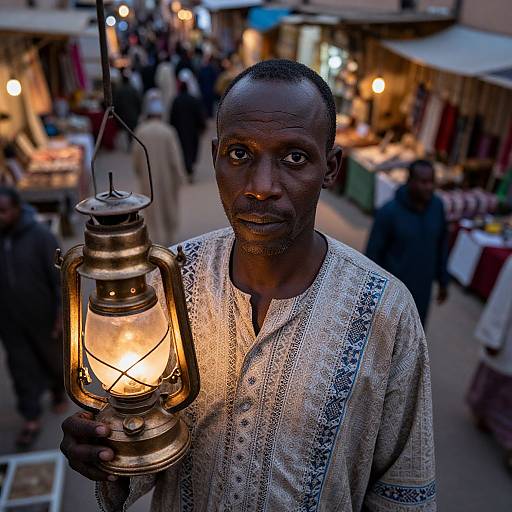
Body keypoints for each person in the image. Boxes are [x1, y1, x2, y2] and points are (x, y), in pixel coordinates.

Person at [61, 60, 436, 511]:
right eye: (240, 154)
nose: (261, 187)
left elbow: (404, 491)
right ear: (217, 155)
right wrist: (108, 453)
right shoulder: (168, 280)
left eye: (294, 157)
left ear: (331, 168)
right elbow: (142, 445)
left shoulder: (386, 312)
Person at [0, 187, 65, 448]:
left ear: (17, 209)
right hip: (9, 319)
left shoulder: (40, 236)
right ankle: (31, 417)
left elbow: (60, 279)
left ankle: (58, 392)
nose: (0, 216)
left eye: (3, 211)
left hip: (43, 315)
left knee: (52, 359)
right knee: (20, 367)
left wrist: (60, 314)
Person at [366, 159, 449, 325]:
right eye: (423, 182)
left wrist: (443, 281)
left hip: (422, 291)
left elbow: (442, 245)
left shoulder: (437, 207)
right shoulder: (388, 212)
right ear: (410, 182)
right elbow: (373, 255)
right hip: (392, 295)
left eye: (432, 182)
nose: (429, 187)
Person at [467, 255, 512, 470]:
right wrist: (492, 335)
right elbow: (502, 299)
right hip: (508, 339)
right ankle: (483, 416)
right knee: (495, 383)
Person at [133, 95, 186, 246]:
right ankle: (170, 240)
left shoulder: (140, 131)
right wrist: (180, 176)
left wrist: (139, 171)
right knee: (169, 206)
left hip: (147, 178)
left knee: (152, 209)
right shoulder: (168, 131)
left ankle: (156, 240)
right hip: (167, 178)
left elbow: (135, 157)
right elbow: (175, 157)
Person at [170, 80, 205, 181]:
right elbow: (200, 115)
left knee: (183, 150)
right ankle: (190, 168)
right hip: (193, 131)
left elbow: (172, 117)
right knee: (192, 150)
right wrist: (201, 127)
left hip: (180, 131)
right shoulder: (193, 100)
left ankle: (187, 168)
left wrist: (172, 128)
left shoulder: (176, 100)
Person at [113, 71, 142, 138]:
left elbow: (116, 104)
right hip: (133, 117)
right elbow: (139, 103)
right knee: (132, 136)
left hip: (122, 117)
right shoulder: (134, 90)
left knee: (124, 136)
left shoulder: (118, 91)